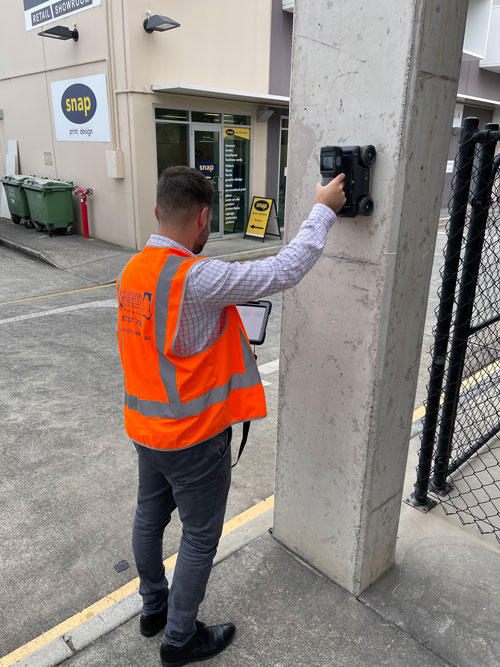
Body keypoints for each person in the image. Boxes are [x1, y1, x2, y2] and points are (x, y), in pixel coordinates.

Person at [116, 165, 345, 666]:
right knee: (199, 536)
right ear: (203, 220)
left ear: (158, 211)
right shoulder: (199, 277)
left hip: (146, 430)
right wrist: (324, 209)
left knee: (148, 518)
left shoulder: (134, 272)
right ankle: (179, 639)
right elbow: (285, 269)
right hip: (193, 439)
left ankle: (153, 607)